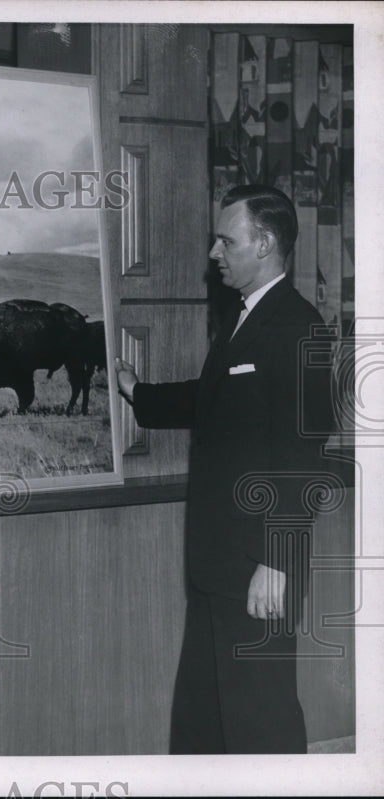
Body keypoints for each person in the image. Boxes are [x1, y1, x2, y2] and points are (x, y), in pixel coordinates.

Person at [115, 184, 333, 754]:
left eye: (225, 239)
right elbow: (211, 396)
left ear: (262, 244)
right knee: (204, 723)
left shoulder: (298, 328)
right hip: (218, 566)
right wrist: (139, 393)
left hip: (258, 570)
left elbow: (300, 455)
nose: (214, 253)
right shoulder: (247, 319)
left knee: (261, 723)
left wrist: (276, 563)